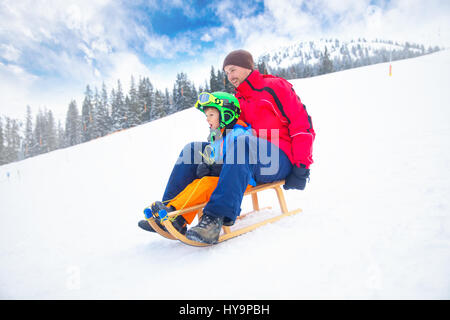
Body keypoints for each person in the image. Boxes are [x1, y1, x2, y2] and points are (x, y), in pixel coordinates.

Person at [184, 49, 315, 244]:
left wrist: (302, 166)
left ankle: (214, 220)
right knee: (193, 150)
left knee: (244, 143)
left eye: (233, 70)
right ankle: (172, 213)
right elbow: (227, 133)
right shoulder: (238, 100)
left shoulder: (274, 87)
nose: (230, 76)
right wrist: (210, 160)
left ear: (247, 67)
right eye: (226, 73)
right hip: (250, 158)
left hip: (280, 157)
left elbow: (302, 125)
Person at [138, 91, 255, 234]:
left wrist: (214, 168)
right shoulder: (217, 135)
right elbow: (212, 155)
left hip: (239, 182)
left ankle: (174, 214)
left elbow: (238, 160)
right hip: (218, 178)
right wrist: (206, 165)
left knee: (203, 185)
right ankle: (174, 216)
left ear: (227, 114)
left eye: (211, 115)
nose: (207, 119)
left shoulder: (239, 133)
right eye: (206, 116)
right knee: (196, 184)